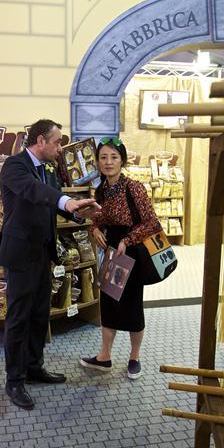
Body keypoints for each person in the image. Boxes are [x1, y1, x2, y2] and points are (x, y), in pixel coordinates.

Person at [0, 119, 101, 409]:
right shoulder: (14, 166)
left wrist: (81, 215)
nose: (60, 148)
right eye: (57, 142)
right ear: (40, 141)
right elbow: (34, 191)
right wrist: (67, 202)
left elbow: (52, 206)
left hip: (43, 254)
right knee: (18, 318)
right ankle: (14, 381)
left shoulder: (51, 170)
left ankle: (33, 367)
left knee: (39, 314)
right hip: (19, 255)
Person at [80, 137, 161, 380]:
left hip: (132, 251)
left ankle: (134, 357)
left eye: (114, 157)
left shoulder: (133, 187)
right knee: (109, 303)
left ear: (122, 160)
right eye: (103, 157)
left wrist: (128, 239)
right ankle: (104, 357)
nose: (108, 162)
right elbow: (99, 218)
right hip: (113, 253)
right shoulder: (101, 189)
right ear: (97, 161)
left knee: (132, 306)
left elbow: (151, 222)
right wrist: (94, 229)